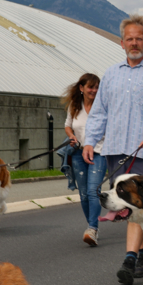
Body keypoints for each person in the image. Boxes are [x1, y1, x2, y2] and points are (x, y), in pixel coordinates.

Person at [83, 15, 143, 285]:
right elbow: (99, 112)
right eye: (129, 39)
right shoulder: (111, 74)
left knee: (135, 205)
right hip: (115, 152)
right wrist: (90, 141)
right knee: (129, 207)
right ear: (122, 43)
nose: (134, 43)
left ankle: (130, 257)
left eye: (139, 38)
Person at [62, 73, 107, 246]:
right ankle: (92, 225)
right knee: (83, 194)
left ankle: (93, 228)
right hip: (78, 153)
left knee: (92, 191)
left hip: (99, 152)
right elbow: (67, 125)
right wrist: (71, 136)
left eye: (97, 87)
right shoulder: (74, 106)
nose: (94, 90)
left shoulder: (102, 106)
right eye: (90, 87)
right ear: (81, 88)